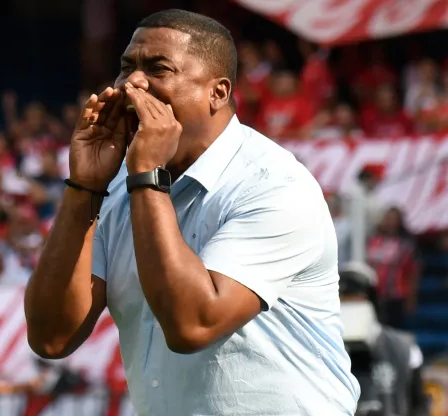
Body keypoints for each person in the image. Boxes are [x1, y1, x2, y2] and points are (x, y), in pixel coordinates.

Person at [25, 9, 360, 415]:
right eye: (126, 67)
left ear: (217, 92)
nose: (133, 82)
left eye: (158, 68)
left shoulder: (274, 186)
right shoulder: (116, 189)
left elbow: (193, 325)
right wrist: (85, 187)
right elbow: (52, 337)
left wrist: (148, 176)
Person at [339, 262, 429, 416]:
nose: (350, 304)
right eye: (344, 298)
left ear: (372, 299)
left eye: (357, 297)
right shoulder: (323, 347)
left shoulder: (405, 347)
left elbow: (418, 403)